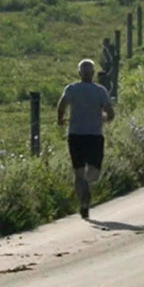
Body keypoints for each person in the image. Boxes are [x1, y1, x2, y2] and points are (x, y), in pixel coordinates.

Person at [57, 58, 115, 220]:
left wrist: (60, 118)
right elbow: (110, 112)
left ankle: (83, 196)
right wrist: (104, 118)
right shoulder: (100, 91)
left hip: (75, 135)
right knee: (94, 172)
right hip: (94, 136)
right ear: (93, 74)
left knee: (78, 172)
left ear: (79, 73)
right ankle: (86, 192)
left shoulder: (72, 89)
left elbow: (62, 105)